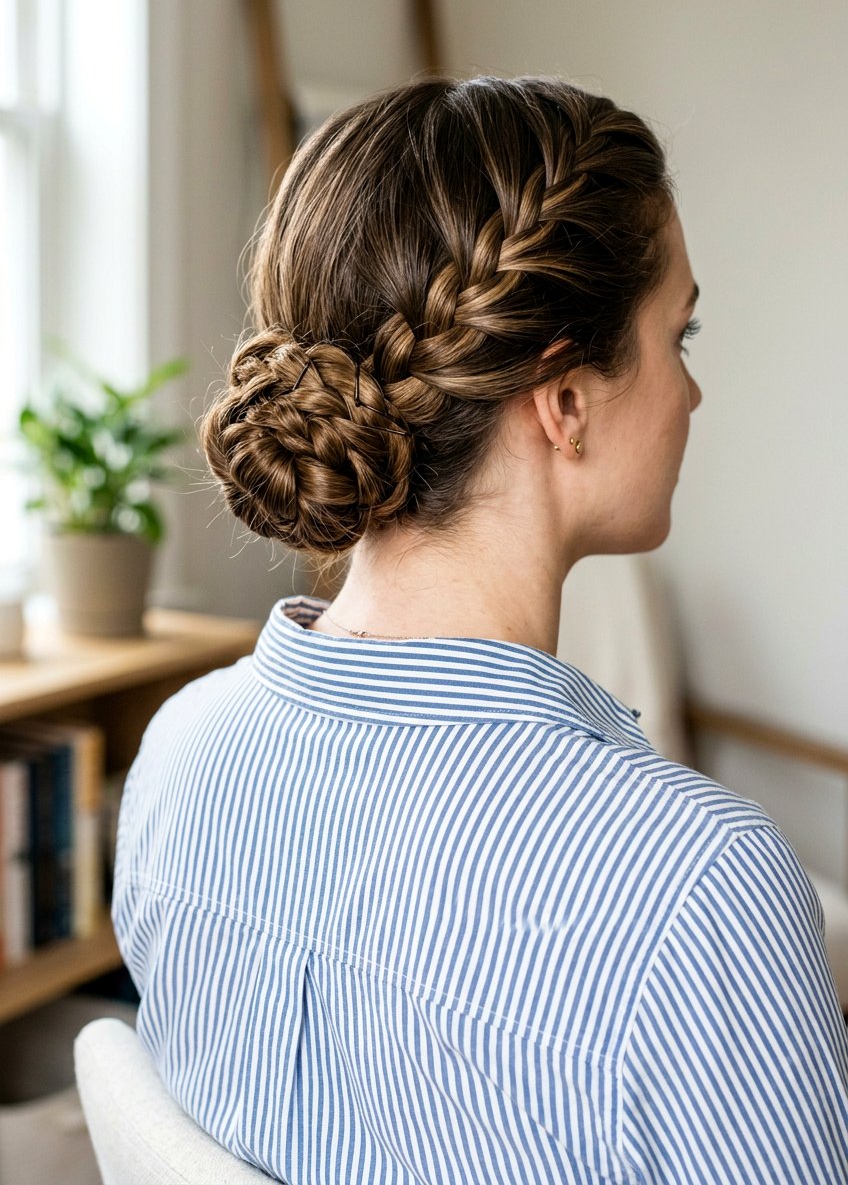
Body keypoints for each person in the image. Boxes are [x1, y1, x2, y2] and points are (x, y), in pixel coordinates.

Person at [112, 76, 848, 1184]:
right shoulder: (694, 886)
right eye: (678, 335)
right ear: (565, 400)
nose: (690, 394)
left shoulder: (180, 752)